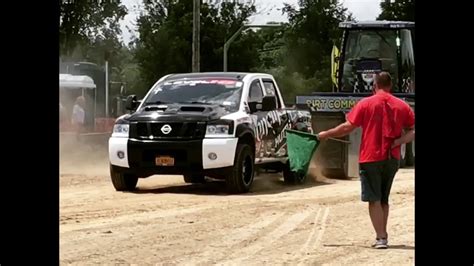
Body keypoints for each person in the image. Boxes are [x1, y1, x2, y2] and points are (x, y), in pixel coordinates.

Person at [317, 72, 415, 249]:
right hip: (392, 158)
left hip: (370, 157)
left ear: (374, 86)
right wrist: (399, 142)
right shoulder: (402, 106)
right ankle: (383, 235)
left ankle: (381, 238)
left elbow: (347, 127)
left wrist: (327, 134)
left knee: (373, 199)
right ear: (390, 85)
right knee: (384, 199)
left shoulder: (365, 104)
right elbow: (413, 130)